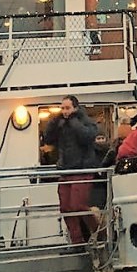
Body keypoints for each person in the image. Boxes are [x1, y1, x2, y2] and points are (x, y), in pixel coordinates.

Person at [41, 95, 98, 244]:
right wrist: (54, 122)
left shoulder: (85, 122)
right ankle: (76, 241)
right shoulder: (60, 123)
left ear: (75, 108)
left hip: (82, 169)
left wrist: (73, 122)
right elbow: (48, 138)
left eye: (67, 108)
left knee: (78, 205)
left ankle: (99, 231)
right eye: (63, 108)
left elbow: (87, 137)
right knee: (66, 207)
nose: (65, 111)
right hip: (66, 169)